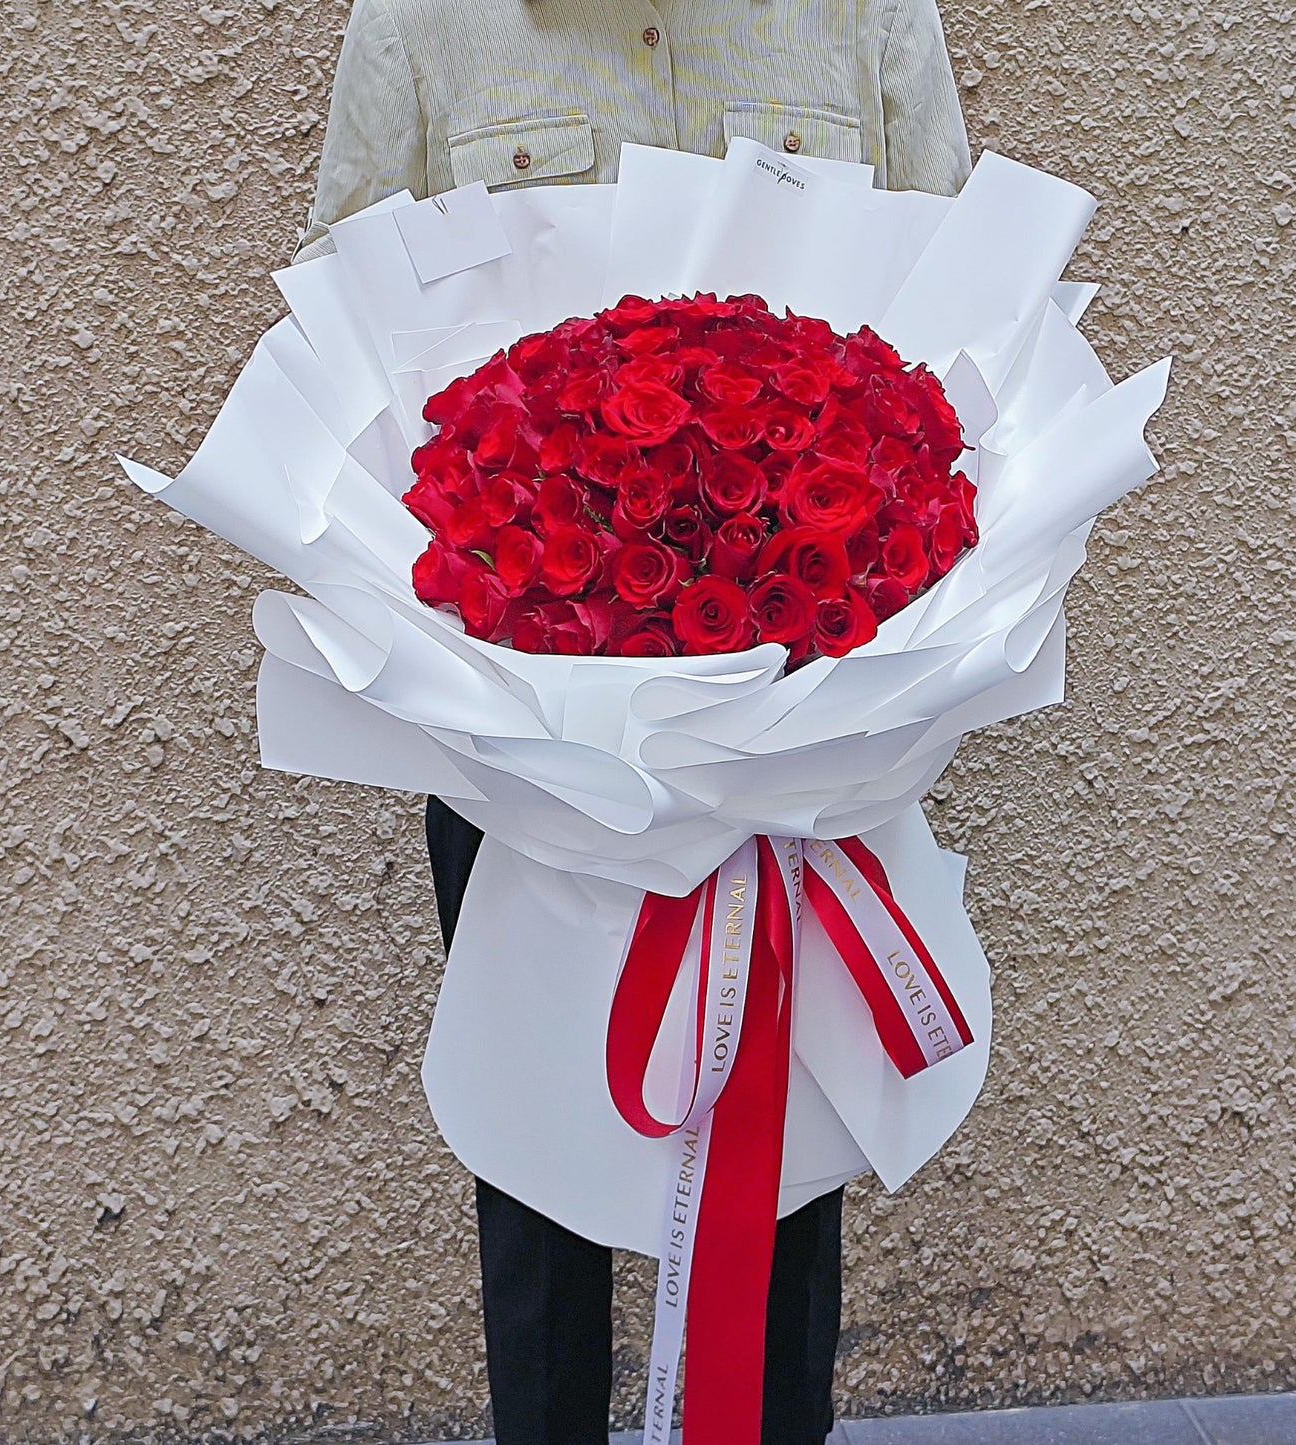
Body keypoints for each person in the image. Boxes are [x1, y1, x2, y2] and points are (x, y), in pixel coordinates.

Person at [296, 5, 971, 1441]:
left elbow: (953, 323)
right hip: (521, 739)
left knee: (785, 1161)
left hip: (794, 734)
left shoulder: (861, 15)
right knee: (534, 1152)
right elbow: (343, 351)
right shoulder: (424, 26)